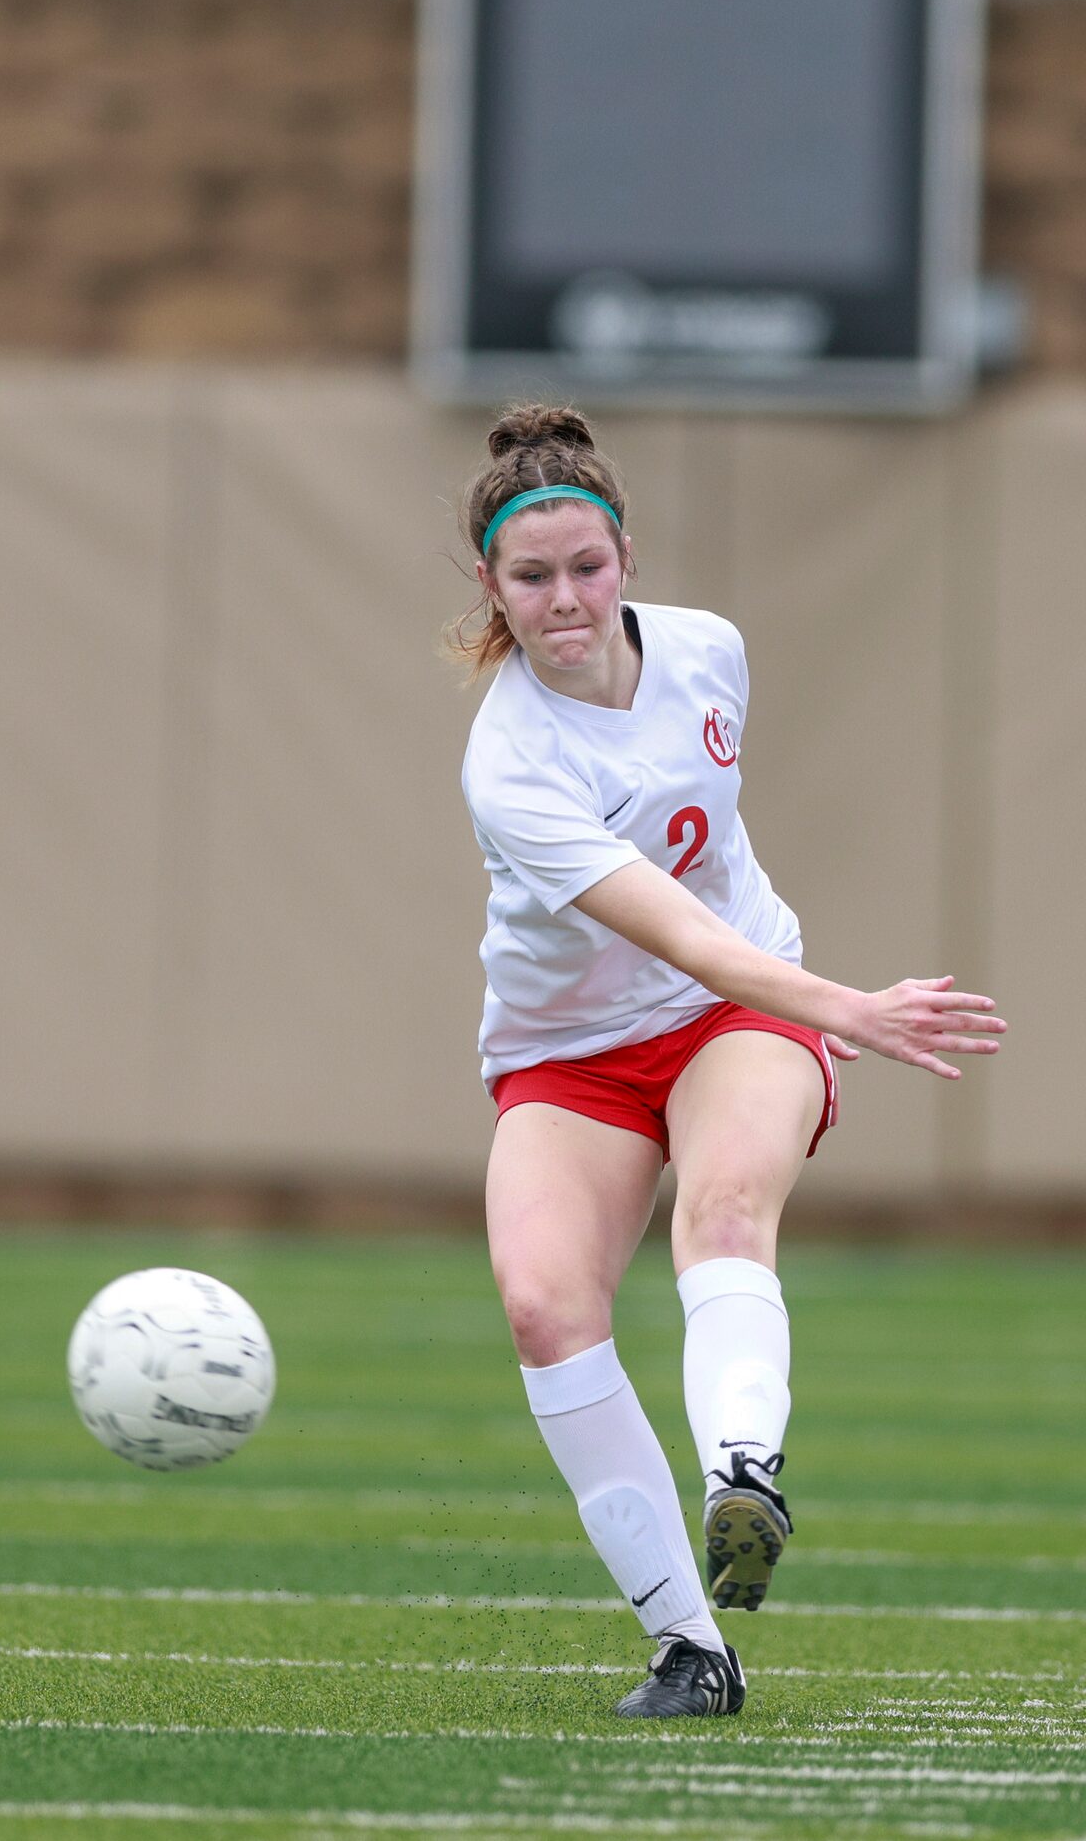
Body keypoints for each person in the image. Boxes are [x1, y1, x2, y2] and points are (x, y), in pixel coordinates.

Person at [454, 404, 1002, 1718]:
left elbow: (717, 944)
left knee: (723, 1206)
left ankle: (742, 1467)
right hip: (575, 1052)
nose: (566, 597)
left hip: (735, 1011)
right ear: (492, 588)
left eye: (588, 565)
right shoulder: (510, 760)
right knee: (543, 1303)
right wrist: (850, 1006)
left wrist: (814, 1009)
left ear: (627, 555)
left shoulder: (709, 652)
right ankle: (691, 1648)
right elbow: (679, 931)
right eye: (533, 578)